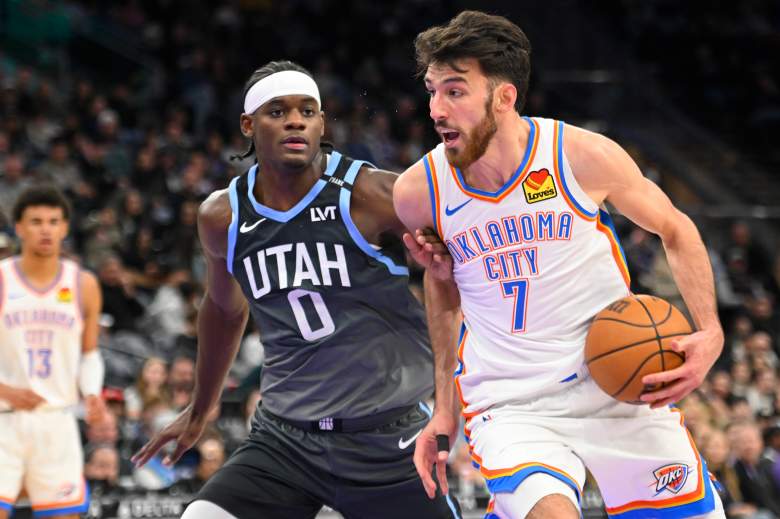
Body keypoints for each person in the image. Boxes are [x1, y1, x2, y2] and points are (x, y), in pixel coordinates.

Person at [393, 11, 726, 519]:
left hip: (618, 384)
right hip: (511, 402)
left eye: (455, 91)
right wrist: (445, 407)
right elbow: (444, 288)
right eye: (432, 91)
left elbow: (676, 230)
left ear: (504, 98)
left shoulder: (580, 157)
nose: (436, 109)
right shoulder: (419, 192)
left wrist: (710, 331)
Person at [132, 60, 459, 519]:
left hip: (388, 436)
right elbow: (224, 310)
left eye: (307, 111)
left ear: (321, 123)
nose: (295, 121)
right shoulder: (222, 216)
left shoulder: (373, 195)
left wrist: (453, 398)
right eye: (277, 111)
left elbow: (456, 271)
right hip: (285, 442)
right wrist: (201, 407)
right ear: (248, 125)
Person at [0, 186, 106, 518]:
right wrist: (4, 391)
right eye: (36, 222)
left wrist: (92, 393)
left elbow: (89, 354)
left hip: (57, 420)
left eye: (53, 221)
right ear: (19, 228)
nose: (45, 229)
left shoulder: (84, 284)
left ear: (65, 228)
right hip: (4, 419)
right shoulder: (2, 279)